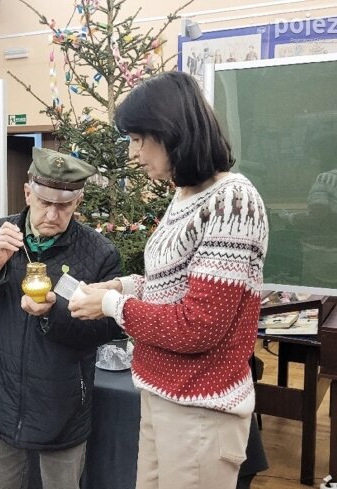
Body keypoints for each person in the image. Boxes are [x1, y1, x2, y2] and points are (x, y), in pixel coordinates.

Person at [68, 71, 269, 489]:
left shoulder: (233, 200)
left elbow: (199, 325)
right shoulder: (185, 196)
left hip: (201, 407)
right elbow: (173, 285)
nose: (134, 153)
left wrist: (110, 307)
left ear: (171, 132)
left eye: (140, 139)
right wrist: (123, 287)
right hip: (162, 393)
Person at [0, 147, 125, 489]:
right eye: (45, 201)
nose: (52, 214)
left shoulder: (100, 253)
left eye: (64, 205)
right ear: (27, 192)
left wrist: (54, 312)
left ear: (78, 202)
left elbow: (106, 329)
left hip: (63, 406)